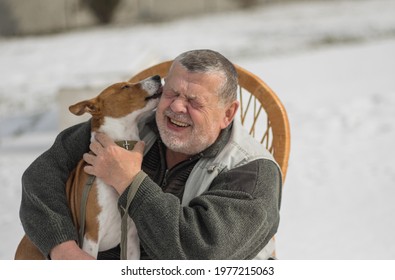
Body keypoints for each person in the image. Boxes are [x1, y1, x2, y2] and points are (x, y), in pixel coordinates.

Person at [19, 49, 282, 260]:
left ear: (227, 114)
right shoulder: (133, 124)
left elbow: (198, 254)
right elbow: (41, 175)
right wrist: (64, 249)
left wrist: (129, 182)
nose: (177, 107)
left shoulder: (253, 173)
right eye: (171, 93)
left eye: (194, 101)